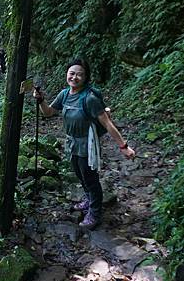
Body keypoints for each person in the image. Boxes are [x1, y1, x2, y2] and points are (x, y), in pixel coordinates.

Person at [33, 59, 136, 230]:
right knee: (80, 175)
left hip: (87, 144)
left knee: (90, 178)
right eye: (72, 73)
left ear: (85, 77)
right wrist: (41, 100)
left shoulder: (89, 99)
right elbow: (48, 113)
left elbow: (108, 124)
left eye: (79, 74)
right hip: (71, 142)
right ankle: (89, 199)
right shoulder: (64, 94)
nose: (74, 77)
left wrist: (123, 147)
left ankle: (95, 213)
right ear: (67, 74)